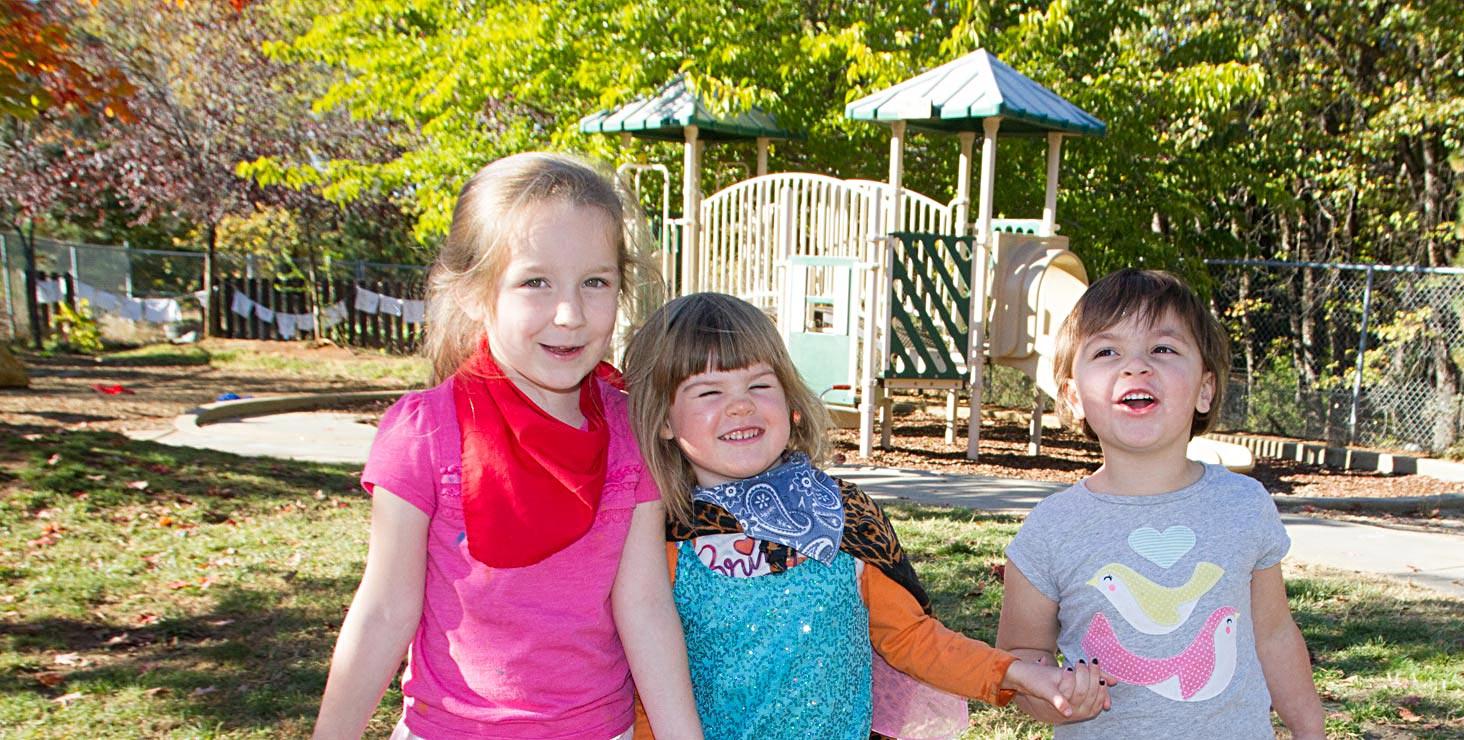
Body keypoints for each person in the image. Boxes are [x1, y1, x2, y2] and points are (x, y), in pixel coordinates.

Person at [313, 152, 701, 740]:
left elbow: (645, 607)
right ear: (473, 293)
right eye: (534, 282)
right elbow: (385, 611)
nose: (569, 314)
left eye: (595, 282)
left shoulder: (631, 431)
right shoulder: (423, 434)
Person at [622, 292, 1108, 739]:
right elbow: (641, 689)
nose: (741, 405)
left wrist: (1018, 673)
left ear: (790, 400)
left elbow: (914, 640)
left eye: (759, 383)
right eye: (709, 392)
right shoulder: (655, 542)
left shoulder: (842, 519)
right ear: (663, 419)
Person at [996, 269, 1325, 739]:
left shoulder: (1243, 504)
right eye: (1107, 352)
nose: (1136, 366)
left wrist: (1309, 731)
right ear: (1074, 395)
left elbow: (1274, 634)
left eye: (1163, 349)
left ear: (1204, 389)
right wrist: (1060, 700)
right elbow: (1022, 654)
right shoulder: (1051, 529)